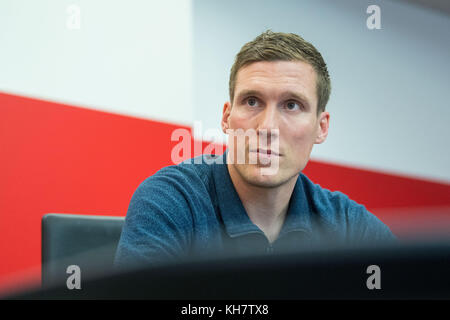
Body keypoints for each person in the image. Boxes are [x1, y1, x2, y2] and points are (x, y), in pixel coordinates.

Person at [114, 30, 395, 269]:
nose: (267, 126)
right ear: (226, 117)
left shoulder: (348, 227)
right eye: (252, 101)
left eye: (292, 105)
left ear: (321, 127)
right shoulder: (170, 202)